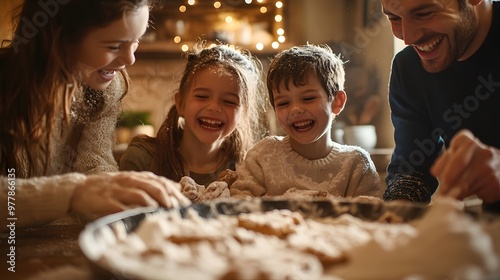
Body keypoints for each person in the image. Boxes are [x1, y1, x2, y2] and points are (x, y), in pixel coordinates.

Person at [0, 0, 189, 228]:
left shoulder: (106, 88)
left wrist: (121, 191)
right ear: (60, 38)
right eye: (114, 46)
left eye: (135, 42)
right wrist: (73, 194)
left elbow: (93, 163)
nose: (130, 60)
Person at [381, 0, 500, 211]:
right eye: (394, 18)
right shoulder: (408, 68)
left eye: (424, 13)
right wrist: (397, 211)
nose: (409, 38)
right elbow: (412, 169)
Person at [230, 44, 383, 199]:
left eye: (308, 98)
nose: (295, 109)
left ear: (337, 101)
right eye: (283, 103)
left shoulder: (356, 165)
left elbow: (371, 215)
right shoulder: (262, 156)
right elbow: (239, 202)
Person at [119, 42, 266, 186]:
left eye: (229, 101)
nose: (214, 107)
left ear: (243, 113)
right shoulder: (142, 160)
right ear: (180, 103)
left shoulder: (250, 171)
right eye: (201, 96)